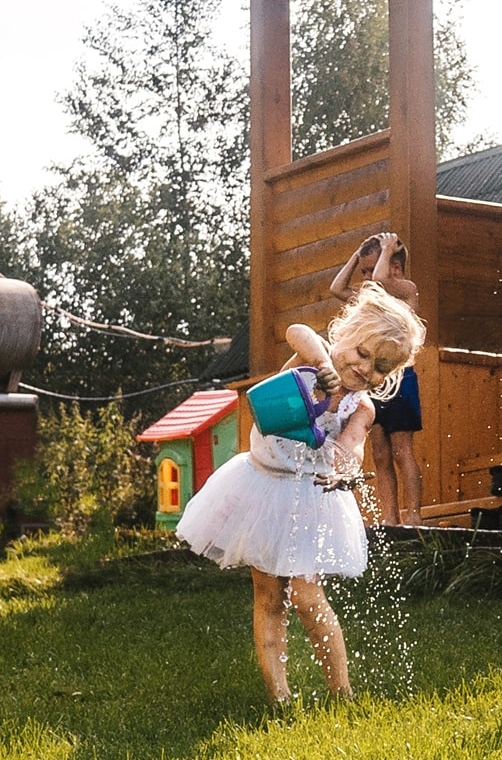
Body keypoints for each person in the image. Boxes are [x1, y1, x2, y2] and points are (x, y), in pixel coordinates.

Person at [176, 282, 426, 703]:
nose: (366, 369)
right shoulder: (308, 363)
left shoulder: (361, 407)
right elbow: (297, 330)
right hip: (260, 490)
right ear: (342, 337)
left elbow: (352, 447)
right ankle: (280, 697)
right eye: (362, 353)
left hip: (308, 500)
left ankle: (341, 693)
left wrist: (344, 466)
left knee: (309, 598)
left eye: (381, 367)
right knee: (269, 596)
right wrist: (322, 360)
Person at [329, 232, 424, 525]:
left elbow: (380, 282)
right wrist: (357, 256)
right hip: (373, 384)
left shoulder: (405, 290)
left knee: (401, 450)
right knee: (380, 453)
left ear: (395, 266)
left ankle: (414, 515)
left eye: (372, 268)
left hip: (399, 379)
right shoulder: (370, 299)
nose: (368, 277)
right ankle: (390, 517)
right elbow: (336, 288)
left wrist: (385, 249)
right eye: (364, 272)